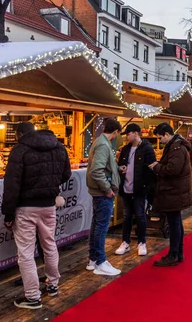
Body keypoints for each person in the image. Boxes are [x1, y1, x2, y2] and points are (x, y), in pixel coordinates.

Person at [2, 122, 71, 309]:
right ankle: (53, 285)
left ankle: (32, 296)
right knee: (49, 244)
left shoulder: (20, 149)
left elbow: (12, 184)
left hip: (25, 207)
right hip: (48, 205)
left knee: (25, 252)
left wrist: (8, 214)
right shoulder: (59, 147)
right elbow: (66, 174)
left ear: (20, 134)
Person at [149, 123, 192, 267]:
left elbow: (172, 169)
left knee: (174, 223)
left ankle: (174, 254)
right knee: (176, 222)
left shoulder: (176, 148)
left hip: (174, 191)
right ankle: (178, 253)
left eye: (160, 138)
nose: (160, 141)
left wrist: (156, 167)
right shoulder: (176, 146)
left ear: (167, 134)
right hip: (175, 191)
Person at [86, 118, 122, 276]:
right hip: (102, 192)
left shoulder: (99, 142)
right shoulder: (103, 145)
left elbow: (101, 167)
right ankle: (100, 261)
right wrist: (107, 189)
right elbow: (97, 170)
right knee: (101, 226)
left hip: (99, 191)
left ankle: (94, 258)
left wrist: (117, 169)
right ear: (115, 132)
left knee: (96, 225)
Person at [115, 123, 156, 257]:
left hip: (139, 189)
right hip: (126, 188)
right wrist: (121, 169)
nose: (127, 136)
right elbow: (120, 164)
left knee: (140, 215)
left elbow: (152, 169)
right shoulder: (125, 149)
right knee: (127, 216)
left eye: (128, 134)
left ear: (136, 133)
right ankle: (125, 242)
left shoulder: (147, 149)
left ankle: (141, 242)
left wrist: (147, 187)